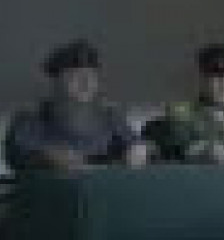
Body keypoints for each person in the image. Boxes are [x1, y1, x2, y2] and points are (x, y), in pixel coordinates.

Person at [3, 40, 146, 171]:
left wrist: (137, 151)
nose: (86, 82)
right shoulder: (32, 119)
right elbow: (17, 156)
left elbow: (135, 146)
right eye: (74, 75)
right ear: (56, 81)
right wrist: (45, 157)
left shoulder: (111, 117)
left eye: (92, 76)